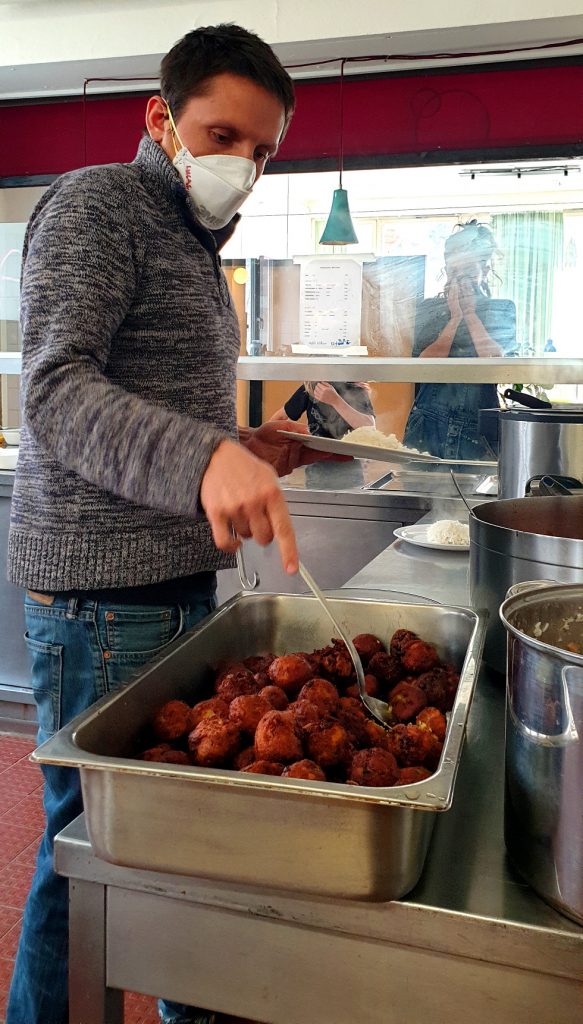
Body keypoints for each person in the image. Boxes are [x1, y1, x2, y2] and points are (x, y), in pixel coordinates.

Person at [6, 24, 327, 1024]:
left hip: (174, 587)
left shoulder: (194, 243)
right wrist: (203, 459)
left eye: (264, 150)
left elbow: (155, 406)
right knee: (90, 858)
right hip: (105, 601)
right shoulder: (98, 206)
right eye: (222, 134)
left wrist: (241, 442)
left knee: (181, 844)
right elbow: (56, 392)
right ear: (161, 119)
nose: (244, 164)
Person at [403, 220, 516, 461]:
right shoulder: (430, 309)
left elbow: (498, 365)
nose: (460, 279)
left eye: (468, 272)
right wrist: (454, 319)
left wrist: (471, 314)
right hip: (428, 425)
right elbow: (422, 367)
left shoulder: (501, 309)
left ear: (485, 270)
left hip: (479, 427)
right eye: (454, 272)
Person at [269, 381, 375, 439]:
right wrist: (260, 438)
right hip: (315, 463)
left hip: (349, 463)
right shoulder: (311, 387)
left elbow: (370, 428)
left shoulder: (355, 389)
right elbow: (281, 416)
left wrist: (335, 401)